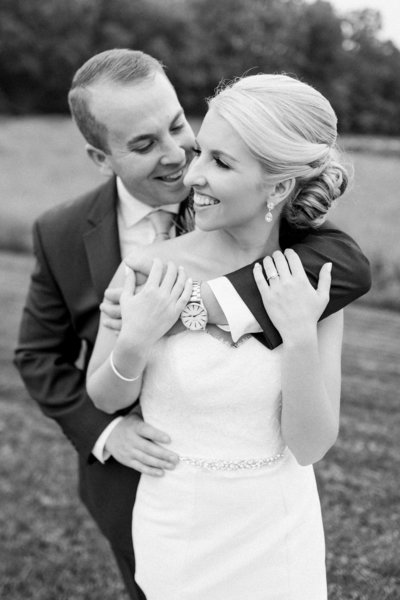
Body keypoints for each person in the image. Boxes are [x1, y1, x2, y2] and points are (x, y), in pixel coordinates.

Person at [14, 49, 370, 600]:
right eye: (143, 144)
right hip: (168, 513)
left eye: (183, 131)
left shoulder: (310, 273)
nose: (183, 162)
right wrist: (134, 338)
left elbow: (311, 443)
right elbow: (45, 361)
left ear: (277, 187)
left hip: (275, 530)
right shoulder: (116, 254)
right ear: (100, 156)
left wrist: (286, 332)